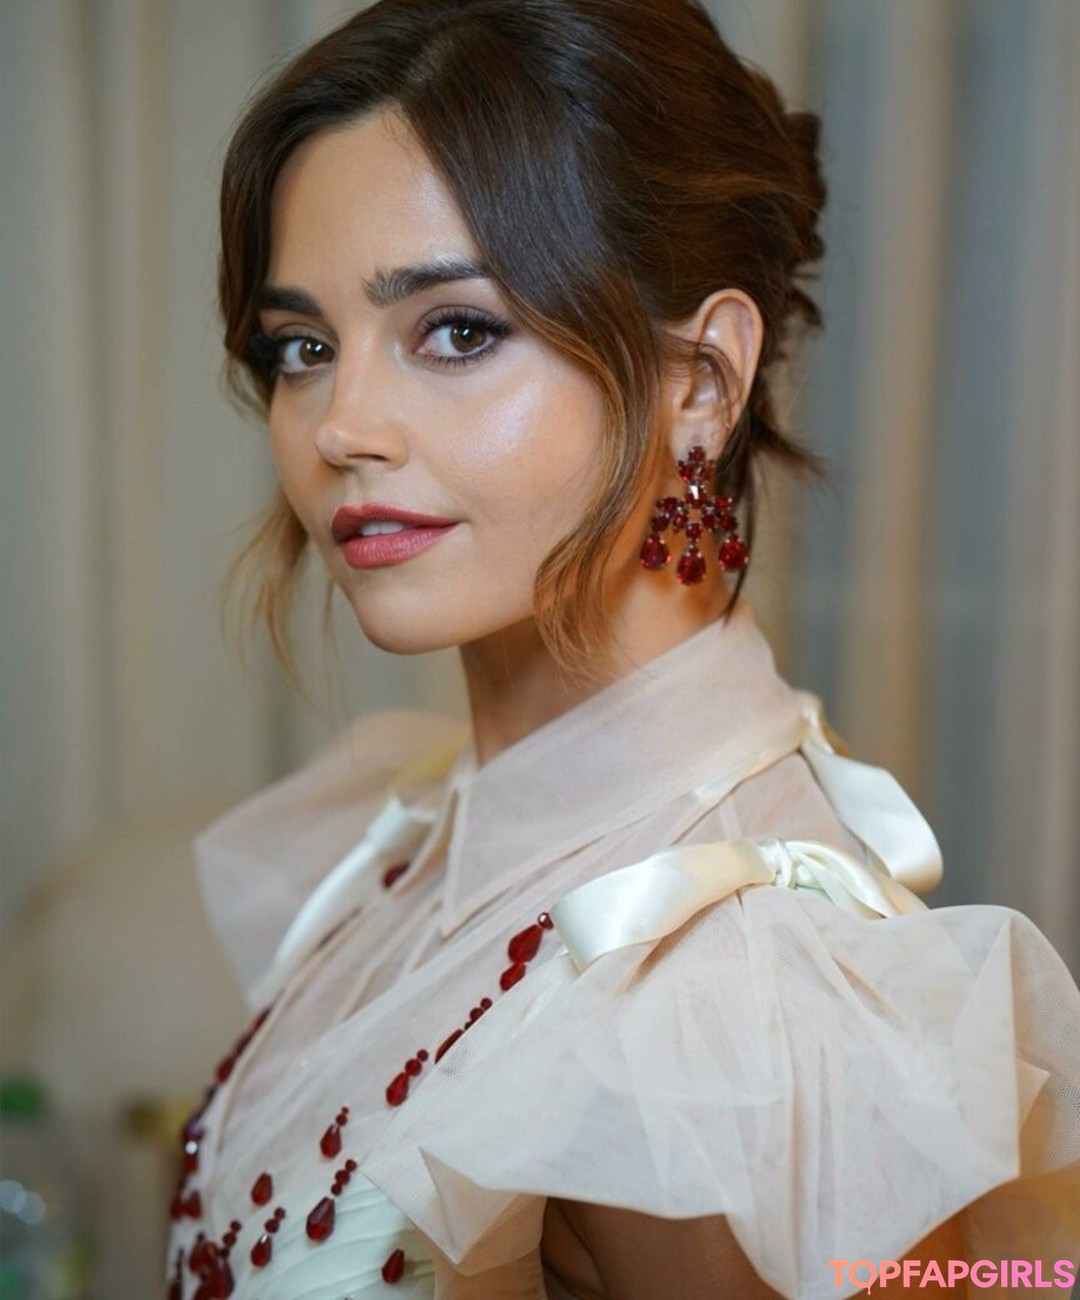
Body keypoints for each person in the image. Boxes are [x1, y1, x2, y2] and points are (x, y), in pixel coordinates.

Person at [169, 1, 1080, 1296]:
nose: (339, 426)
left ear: (699, 383)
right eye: (302, 348)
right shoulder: (419, 833)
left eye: (458, 330)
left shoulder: (722, 1005)